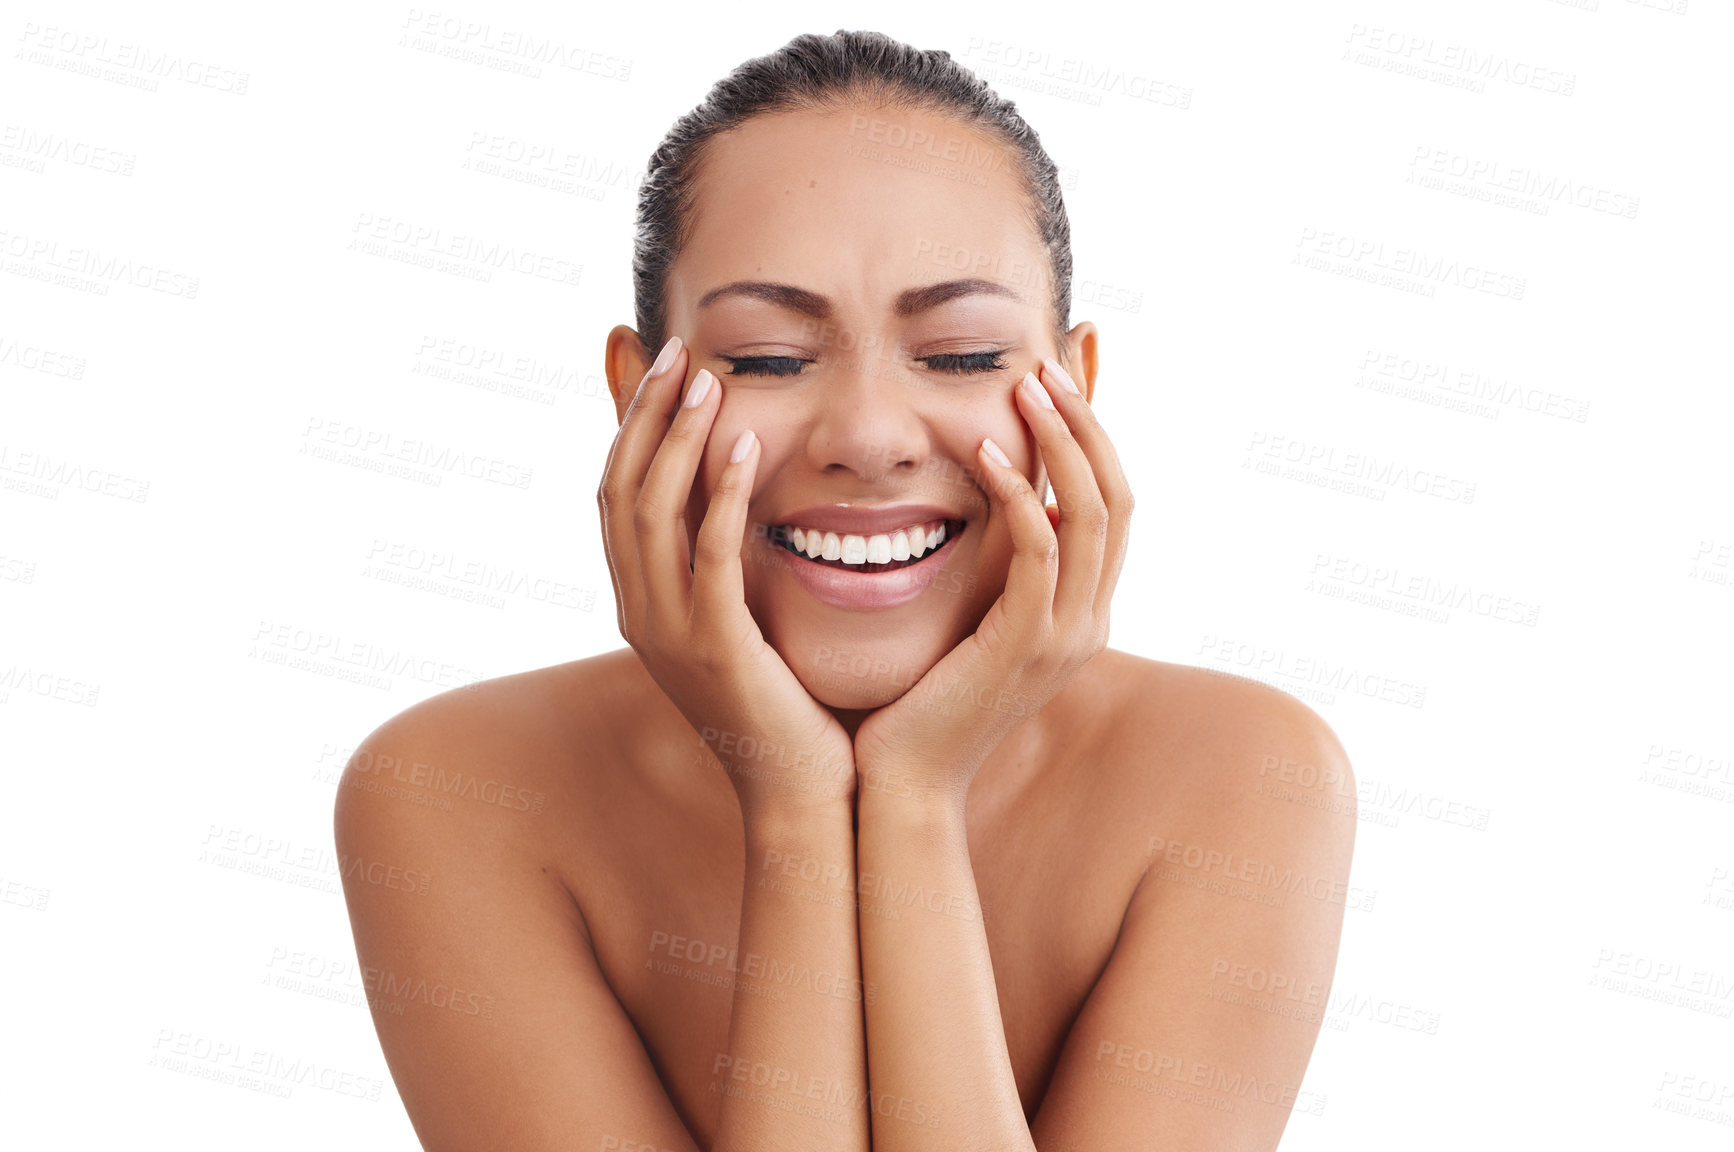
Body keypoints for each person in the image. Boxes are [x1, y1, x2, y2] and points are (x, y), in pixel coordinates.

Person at [336, 29, 1355, 1152]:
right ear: (639, 399)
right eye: (769, 357)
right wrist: (796, 809)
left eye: (963, 354)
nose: (869, 437)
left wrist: (913, 800)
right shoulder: (457, 792)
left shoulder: (1249, 778)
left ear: (1074, 390)